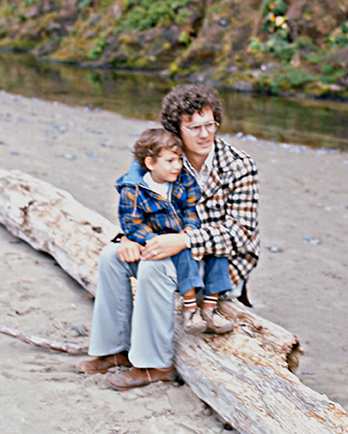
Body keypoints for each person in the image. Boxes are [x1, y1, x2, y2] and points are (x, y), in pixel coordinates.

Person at [76, 84, 260, 392]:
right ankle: (115, 348)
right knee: (112, 255)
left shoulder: (239, 165)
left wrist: (185, 241)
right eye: (194, 127)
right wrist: (129, 237)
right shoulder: (163, 155)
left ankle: (155, 365)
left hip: (220, 263)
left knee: (154, 266)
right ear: (177, 129)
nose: (204, 134)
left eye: (210, 125)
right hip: (169, 247)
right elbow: (134, 200)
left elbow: (242, 235)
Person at [117, 127, 233, 334]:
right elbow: (132, 223)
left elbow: (191, 208)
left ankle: (210, 308)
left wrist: (190, 229)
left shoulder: (184, 180)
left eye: (179, 159)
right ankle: (190, 310)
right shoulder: (133, 189)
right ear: (150, 163)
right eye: (170, 161)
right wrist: (154, 239)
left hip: (185, 236)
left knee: (218, 251)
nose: (177, 166)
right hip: (161, 243)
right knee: (182, 251)